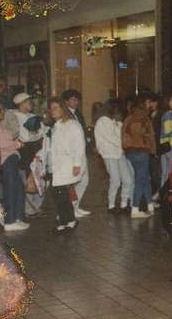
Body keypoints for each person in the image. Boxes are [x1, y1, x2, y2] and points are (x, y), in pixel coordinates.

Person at [0, 98, 27, 232]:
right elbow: (0, 144)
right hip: (6, 160)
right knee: (11, 189)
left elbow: (6, 137)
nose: (2, 112)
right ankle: (10, 220)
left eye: (3, 109)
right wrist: (16, 144)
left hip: (10, 158)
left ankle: (17, 217)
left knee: (18, 187)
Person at [48, 97, 86, 234]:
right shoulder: (56, 126)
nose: (52, 111)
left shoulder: (72, 125)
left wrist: (77, 164)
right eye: (51, 108)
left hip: (68, 164)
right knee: (58, 194)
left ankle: (70, 220)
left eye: (55, 108)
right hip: (57, 165)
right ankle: (64, 220)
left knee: (62, 194)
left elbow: (79, 145)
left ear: (63, 109)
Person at [123, 93, 158, 219]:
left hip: (130, 153)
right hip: (143, 152)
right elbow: (151, 136)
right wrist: (153, 151)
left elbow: (123, 137)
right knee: (141, 180)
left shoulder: (128, 118)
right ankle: (135, 208)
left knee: (144, 178)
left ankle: (150, 206)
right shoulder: (145, 119)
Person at [94, 102, 133, 213]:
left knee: (128, 179)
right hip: (109, 154)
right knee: (115, 181)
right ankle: (111, 205)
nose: (120, 115)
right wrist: (124, 143)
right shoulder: (102, 121)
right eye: (118, 112)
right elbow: (110, 137)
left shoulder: (117, 123)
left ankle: (124, 204)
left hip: (120, 153)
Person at [61, 89, 90, 216]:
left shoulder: (78, 113)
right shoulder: (64, 115)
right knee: (73, 182)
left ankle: (75, 206)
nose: (76, 102)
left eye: (77, 99)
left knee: (84, 180)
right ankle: (70, 208)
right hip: (72, 154)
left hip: (81, 151)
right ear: (66, 101)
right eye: (73, 100)